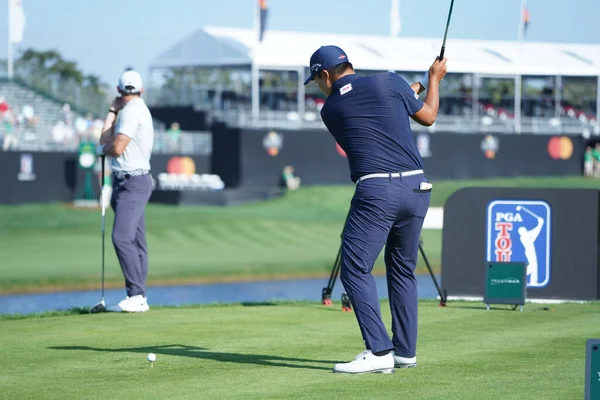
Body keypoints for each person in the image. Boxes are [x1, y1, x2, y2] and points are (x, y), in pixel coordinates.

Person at [304, 45, 447, 374]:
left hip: (377, 191)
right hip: (416, 187)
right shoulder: (390, 82)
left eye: (317, 80)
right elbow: (427, 115)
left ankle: (380, 350)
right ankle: (405, 353)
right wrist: (433, 80)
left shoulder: (331, 109)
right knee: (402, 271)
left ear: (326, 75)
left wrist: (422, 83)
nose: (319, 86)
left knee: (354, 269)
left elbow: (374, 109)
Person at [98, 69, 155, 313]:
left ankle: (136, 295)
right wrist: (112, 112)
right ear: (141, 90)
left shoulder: (131, 113)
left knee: (121, 237)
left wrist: (104, 150)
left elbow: (114, 146)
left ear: (120, 91)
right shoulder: (130, 111)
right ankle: (138, 296)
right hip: (130, 182)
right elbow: (105, 139)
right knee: (135, 239)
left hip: (133, 182)